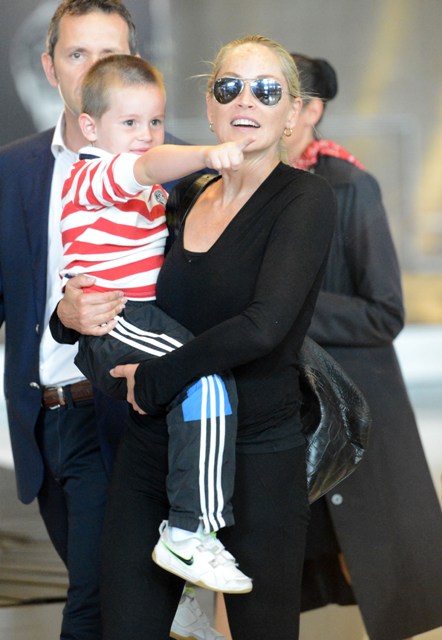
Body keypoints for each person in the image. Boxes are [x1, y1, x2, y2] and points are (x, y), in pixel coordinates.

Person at [54, 34, 336, 639]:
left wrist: (156, 378)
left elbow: (264, 325)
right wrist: (67, 314)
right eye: (229, 87)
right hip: (153, 451)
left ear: (292, 113)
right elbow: (116, 280)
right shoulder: (182, 192)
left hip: (258, 458)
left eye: (267, 91)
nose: (246, 101)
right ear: (210, 106)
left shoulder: (304, 199)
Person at [0, 1, 225, 638]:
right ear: (50, 68)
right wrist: (62, 315)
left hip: (133, 410)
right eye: (78, 54)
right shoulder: (11, 170)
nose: (95, 67)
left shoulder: (179, 170)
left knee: (98, 604)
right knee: (104, 595)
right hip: (45, 419)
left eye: (112, 53)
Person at [58, 52, 253, 594]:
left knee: (194, 407)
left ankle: (187, 586)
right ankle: (189, 534)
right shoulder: (93, 174)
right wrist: (208, 153)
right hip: (118, 318)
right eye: (129, 122)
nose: (145, 135)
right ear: (90, 127)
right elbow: (146, 166)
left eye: (155, 121)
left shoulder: (144, 189)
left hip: (143, 318)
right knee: (206, 380)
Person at [284, 54, 442, 640]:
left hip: (350, 401)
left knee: (379, 575)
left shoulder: (349, 185)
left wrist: (284, 307)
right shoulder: (242, 187)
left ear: (312, 109)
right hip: (281, 402)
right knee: (268, 576)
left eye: (278, 95)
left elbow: (385, 311)